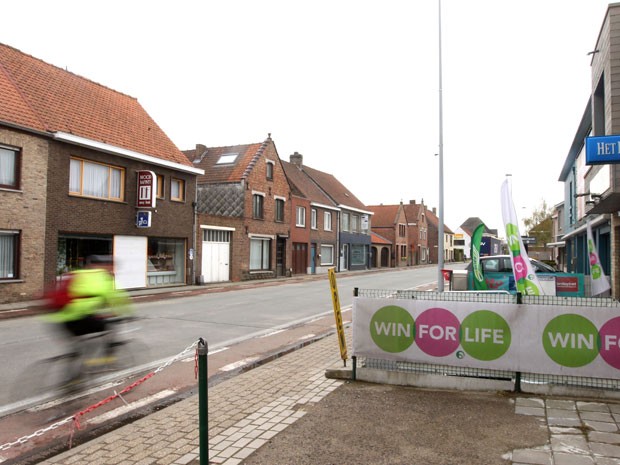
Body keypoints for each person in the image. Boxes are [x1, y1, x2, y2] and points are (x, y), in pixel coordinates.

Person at [43, 255, 132, 363]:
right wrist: (127, 313)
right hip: (79, 317)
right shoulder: (104, 277)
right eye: (111, 266)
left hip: (61, 318)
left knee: (79, 342)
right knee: (107, 328)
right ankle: (98, 360)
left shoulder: (77, 273)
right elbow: (117, 299)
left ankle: (75, 363)